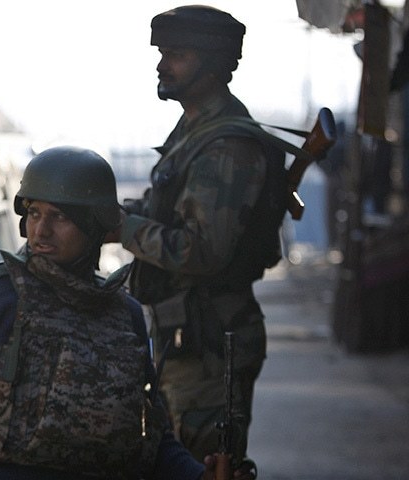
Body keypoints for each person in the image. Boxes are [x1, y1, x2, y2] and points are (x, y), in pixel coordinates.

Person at [0, 146, 254, 480]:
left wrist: (199, 476)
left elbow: (152, 441)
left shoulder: (126, 314)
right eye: (34, 213)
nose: (41, 231)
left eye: (59, 216)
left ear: (96, 226)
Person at [111, 4, 282, 473]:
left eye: (178, 55)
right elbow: (164, 211)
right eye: (163, 53)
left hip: (209, 345)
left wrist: (120, 229)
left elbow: (202, 252)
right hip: (185, 336)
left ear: (214, 64)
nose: (162, 65)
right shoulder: (194, 131)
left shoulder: (226, 145)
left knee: (202, 466)